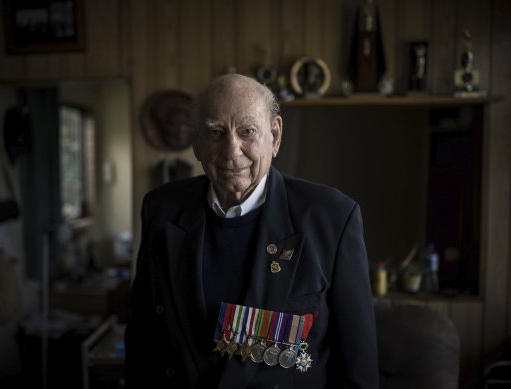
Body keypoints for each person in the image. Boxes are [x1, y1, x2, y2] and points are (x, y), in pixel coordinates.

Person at [125, 74, 378, 388]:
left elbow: (358, 370)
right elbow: (141, 341)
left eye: (247, 131)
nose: (232, 151)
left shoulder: (333, 218)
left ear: (275, 135)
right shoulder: (161, 209)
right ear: (197, 144)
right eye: (215, 132)